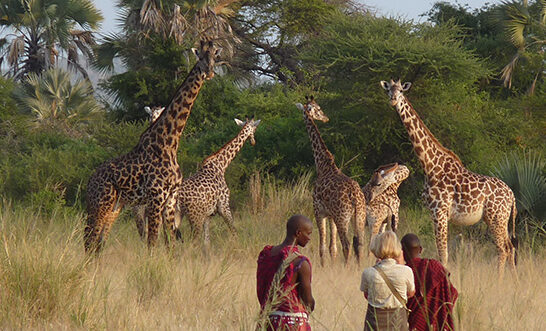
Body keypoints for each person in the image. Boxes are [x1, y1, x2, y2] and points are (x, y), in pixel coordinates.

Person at [256, 215, 315, 330]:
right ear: (298, 233)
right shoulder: (300, 263)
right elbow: (307, 301)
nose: (309, 238)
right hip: (292, 322)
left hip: (267, 321)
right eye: (308, 233)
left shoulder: (266, 255)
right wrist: (311, 305)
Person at [401, 233, 458, 331]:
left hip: (414, 324)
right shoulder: (436, 266)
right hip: (438, 323)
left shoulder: (404, 272)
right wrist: (440, 312)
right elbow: (453, 293)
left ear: (402, 252)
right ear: (421, 249)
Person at [361, 231, 415, 331]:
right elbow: (411, 293)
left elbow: (366, 295)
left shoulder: (368, 272)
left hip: (374, 320)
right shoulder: (406, 271)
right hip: (398, 319)